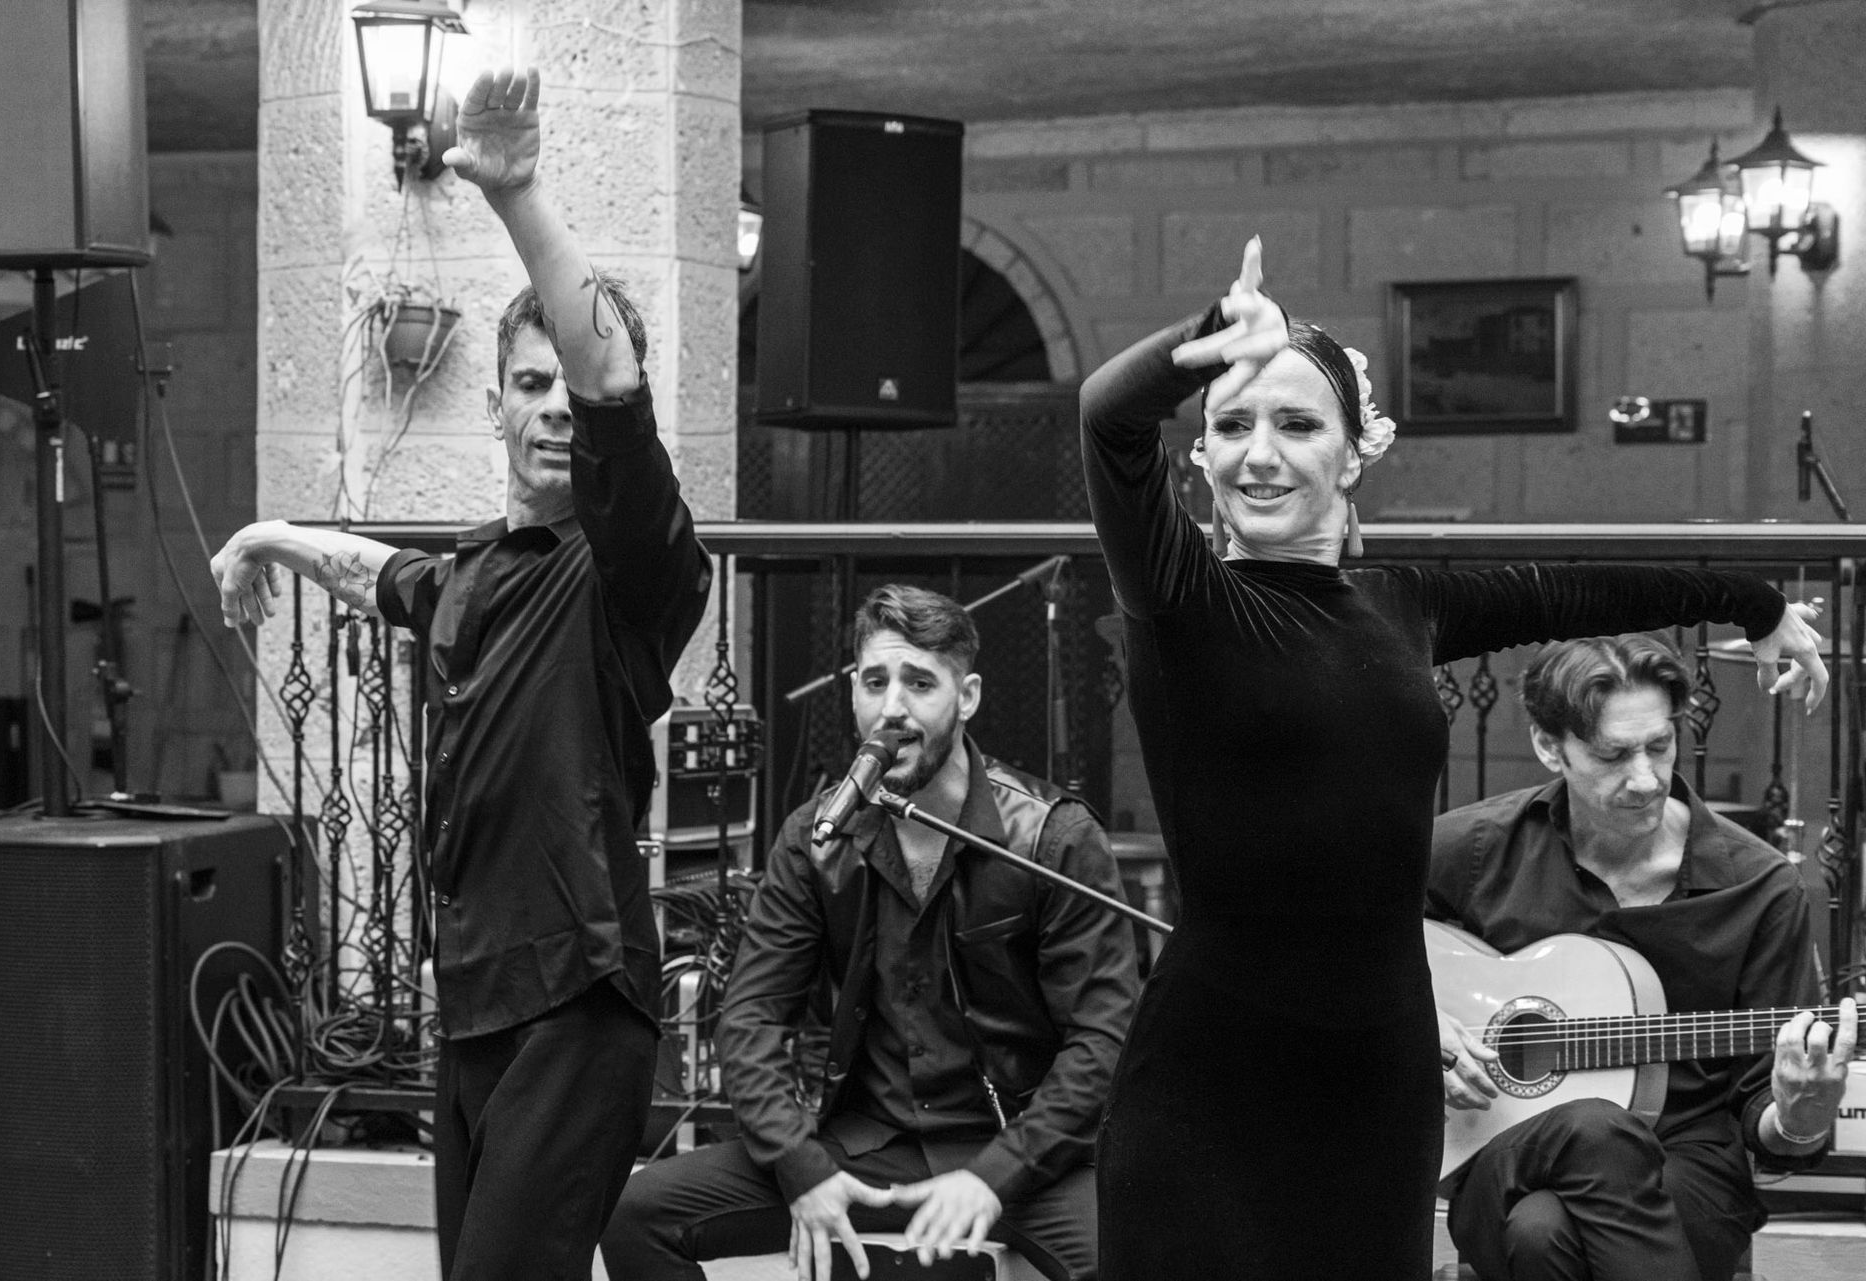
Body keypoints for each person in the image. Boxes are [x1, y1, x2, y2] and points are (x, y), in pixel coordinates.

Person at [1078, 235, 1831, 1281]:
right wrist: (1206, 338)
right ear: (1198, 457)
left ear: (1352, 454)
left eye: (1297, 424)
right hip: (1215, 1076)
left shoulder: (1401, 608)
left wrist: (1753, 607)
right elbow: (1107, 418)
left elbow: (1574, 591)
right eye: (1231, 425)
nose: (1260, 452)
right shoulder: (1181, 602)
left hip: (1383, 1079)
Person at [209, 67, 712, 1279]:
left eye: (570, 393)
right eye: (528, 388)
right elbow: (375, 573)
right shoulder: (473, 576)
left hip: (582, 1000)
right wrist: (269, 534)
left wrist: (518, 195)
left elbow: (610, 393)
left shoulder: (636, 567)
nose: (553, 410)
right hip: (473, 1007)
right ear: (492, 405)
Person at [601, 585, 1139, 1281]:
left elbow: (1103, 1036)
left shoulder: (1051, 835)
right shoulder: (817, 837)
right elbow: (752, 1015)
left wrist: (996, 1174)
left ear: (966, 696)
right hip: (864, 1147)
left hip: (1018, 1155)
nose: (894, 708)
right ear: (854, 690)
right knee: (634, 1213)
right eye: (876, 682)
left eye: (921, 683)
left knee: (1129, 1257)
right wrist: (802, 1166)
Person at [1428, 634, 1858, 1281]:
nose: (1646, 777)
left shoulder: (1758, 884)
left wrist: (1800, 1115)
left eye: (1660, 745)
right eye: (1613, 754)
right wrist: (1419, 1018)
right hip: (1500, 1149)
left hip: (1686, 1156)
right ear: (1550, 746)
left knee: (1542, 1232)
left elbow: (1772, 1126)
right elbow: (1322, 941)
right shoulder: (1476, 849)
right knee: (1596, 1127)